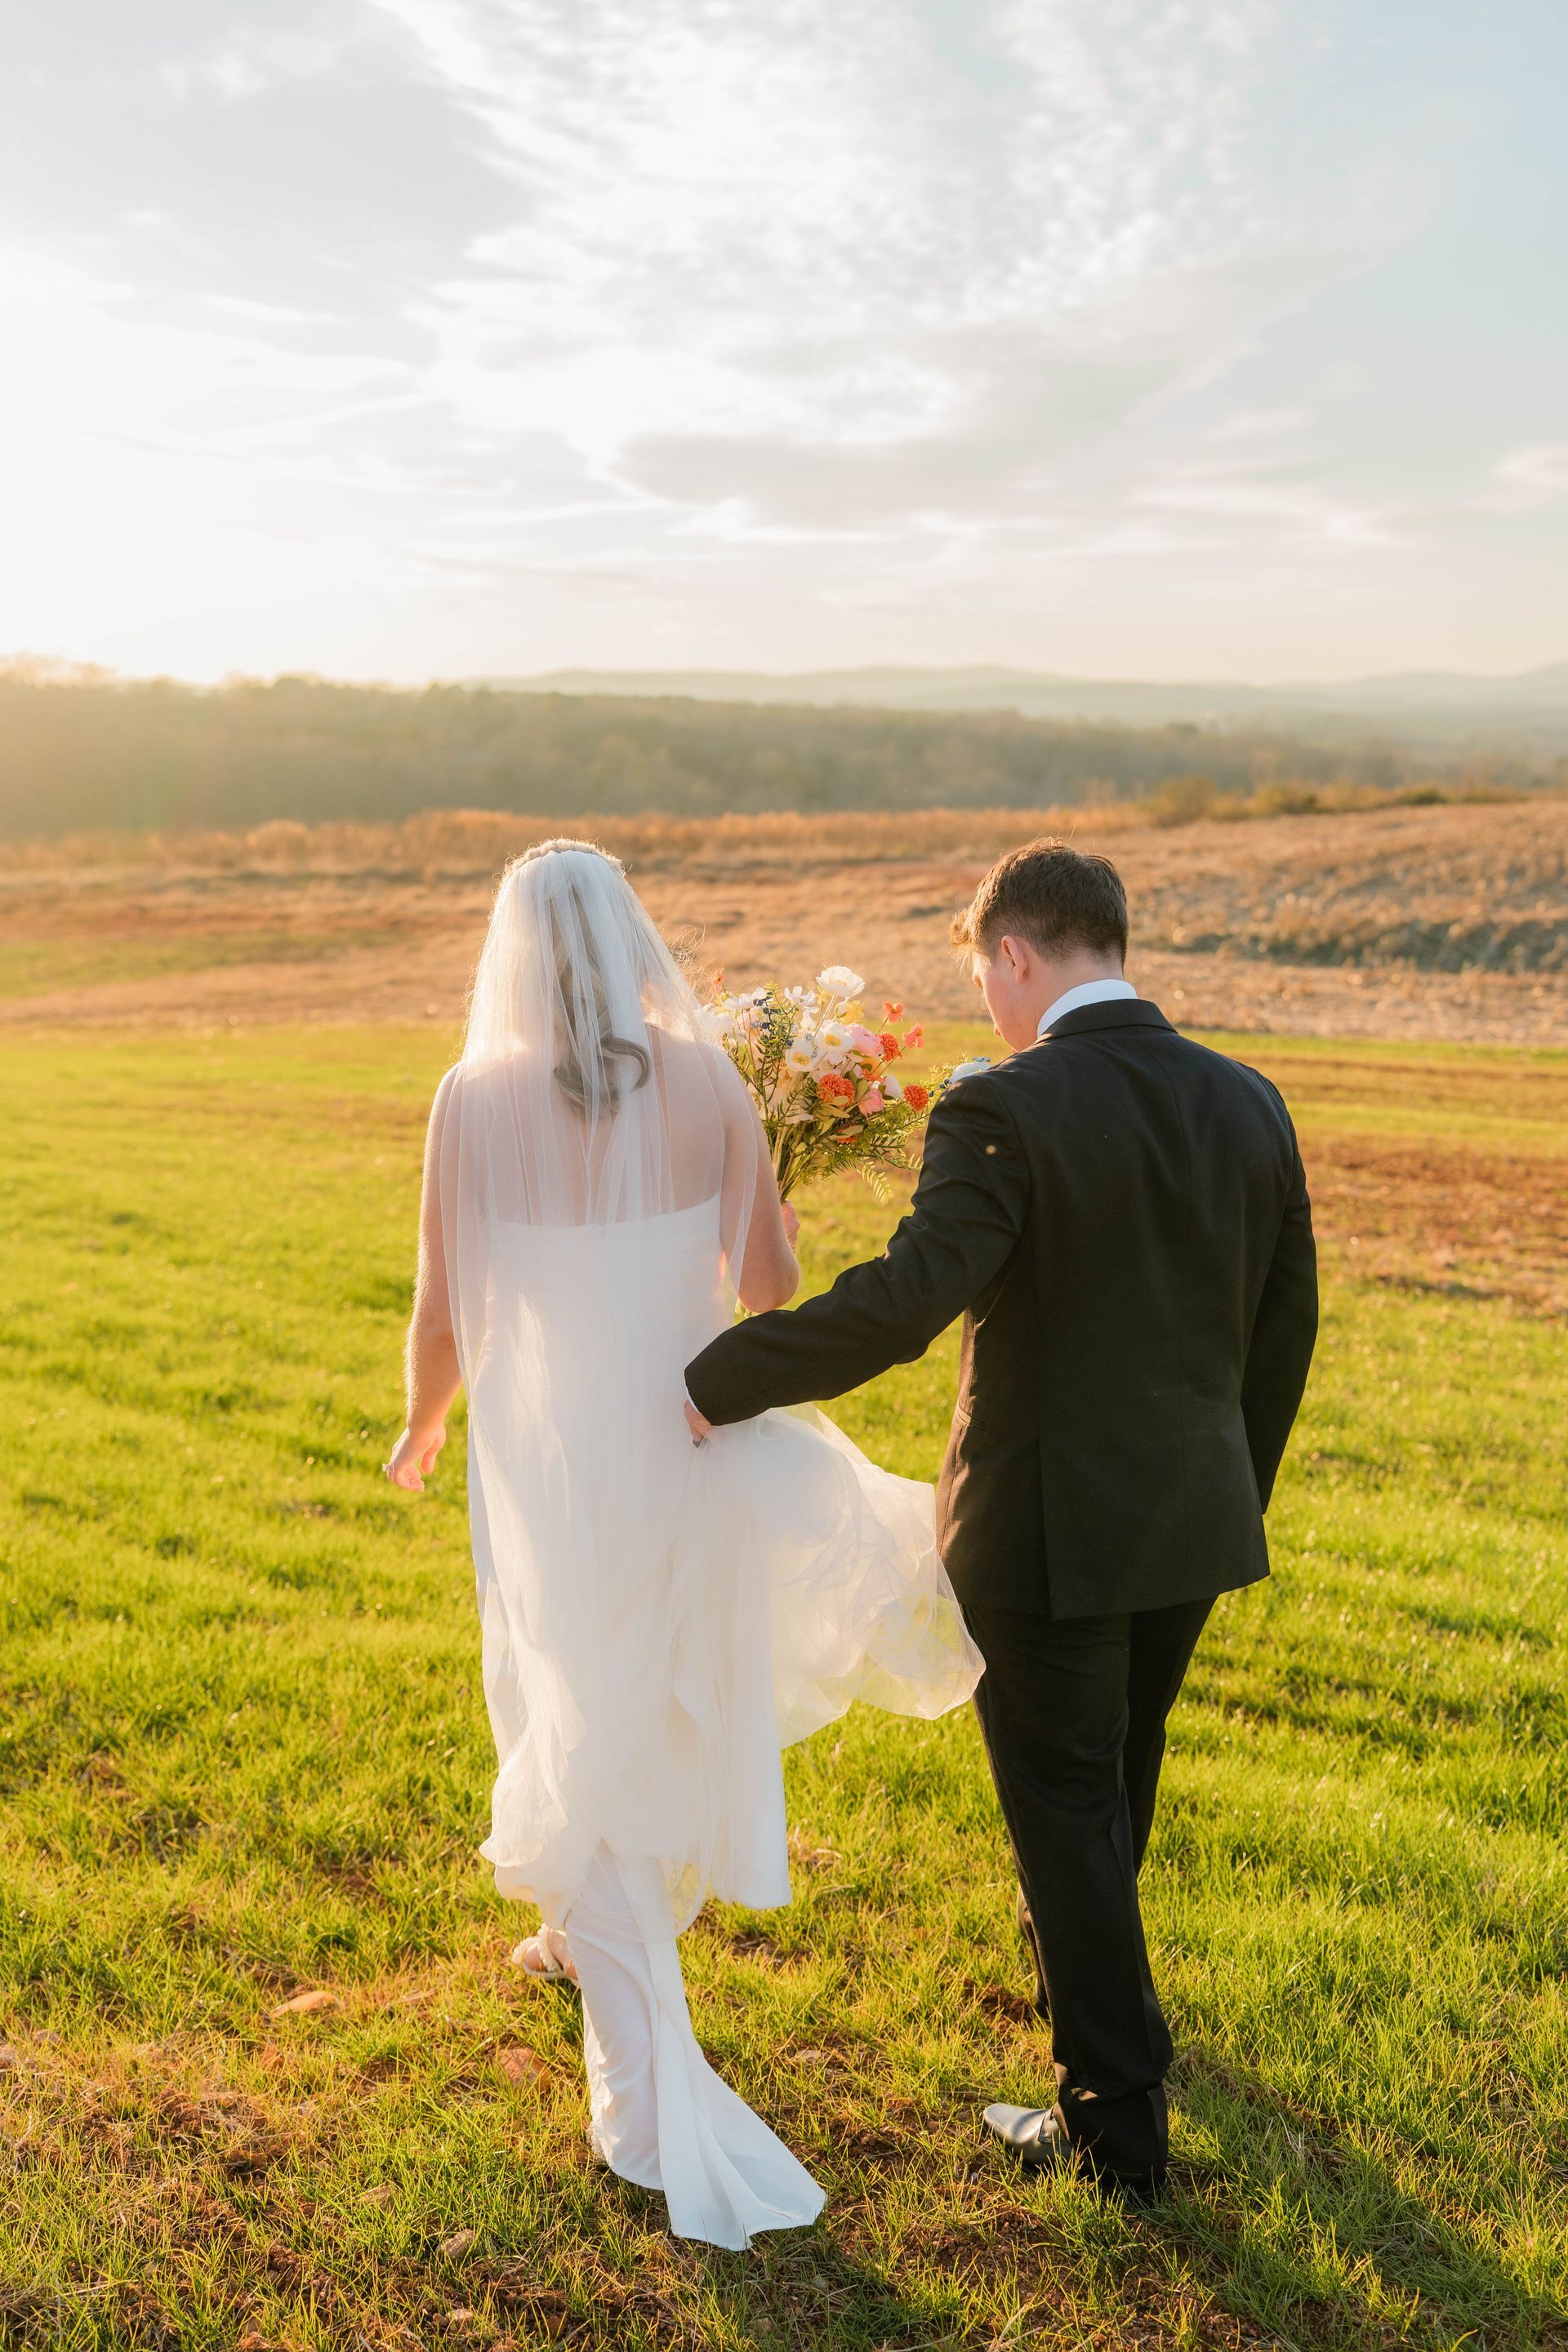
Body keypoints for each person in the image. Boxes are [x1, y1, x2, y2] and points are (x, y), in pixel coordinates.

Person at [685, 840, 1318, 2204]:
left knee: (1066, 1807)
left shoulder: (1001, 1111)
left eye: (985, 975)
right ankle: (1110, 2019)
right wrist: (1230, 1487)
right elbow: (1286, 1329)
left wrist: (716, 1379)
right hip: (1193, 1523)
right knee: (1111, 1792)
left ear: (1018, 956)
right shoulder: (1249, 1100)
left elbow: (910, 1303)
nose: (987, 1002)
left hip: (1044, 1535)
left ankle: (1113, 2121)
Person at [384, 838, 981, 2251]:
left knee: (569, 1676)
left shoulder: (470, 1098)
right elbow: (770, 1287)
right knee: (649, 1685)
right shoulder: (710, 1078)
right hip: (691, 1426)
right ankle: (595, 1932)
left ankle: (636, 2044)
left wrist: (423, 1425)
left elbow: (442, 1306)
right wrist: (751, 1220)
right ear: (635, 937)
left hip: (550, 1454)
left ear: (511, 951)